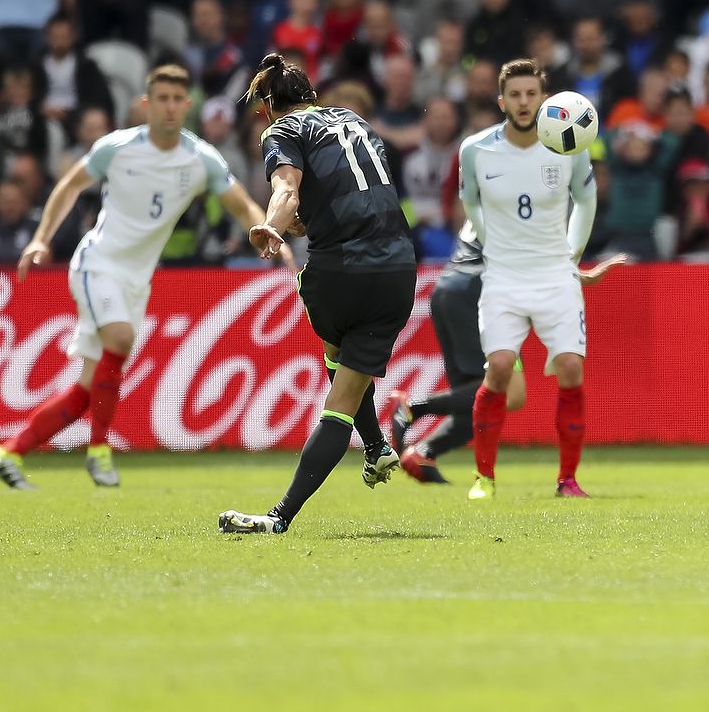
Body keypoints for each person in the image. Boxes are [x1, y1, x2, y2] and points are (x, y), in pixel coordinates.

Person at [0, 66, 275, 491]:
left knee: (87, 388)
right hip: (97, 263)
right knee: (119, 340)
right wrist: (40, 239)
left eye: (178, 99)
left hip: (137, 280)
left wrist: (267, 231)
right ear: (147, 104)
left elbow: (242, 204)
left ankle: (8, 452)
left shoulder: (201, 159)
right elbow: (67, 187)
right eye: (162, 98)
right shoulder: (116, 148)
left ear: (187, 105)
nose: (170, 106)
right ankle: (100, 453)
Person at [218, 54, 417, 535]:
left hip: (341, 270)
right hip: (398, 268)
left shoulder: (281, 131)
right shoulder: (353, 120)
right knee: (348, 381)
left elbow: (287, 189)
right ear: (312, 93)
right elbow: (356, 189)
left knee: (335, 347)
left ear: (268, 106)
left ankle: (281, 516)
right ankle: (374, 448)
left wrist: (270, 225)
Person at [457, 58, 623, 501]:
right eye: (515, 94)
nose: (524, 102)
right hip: (503, 276)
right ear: (501, 101)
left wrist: (571, 256)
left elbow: (586, 203)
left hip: (555, 275)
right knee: (499, 369)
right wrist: (492, 242)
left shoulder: (569, 147)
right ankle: (484, 478)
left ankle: (567, 480)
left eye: (531, 94)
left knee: (570, 368)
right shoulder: (475, 150)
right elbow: (469, 202)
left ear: (544, 99)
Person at [388, 221, 527, 485]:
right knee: (510, 392)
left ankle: (424, 453)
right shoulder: (520, 199)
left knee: (476, 403)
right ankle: (412, 408)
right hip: (481, 293)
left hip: (449, 286)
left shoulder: (490, 195)